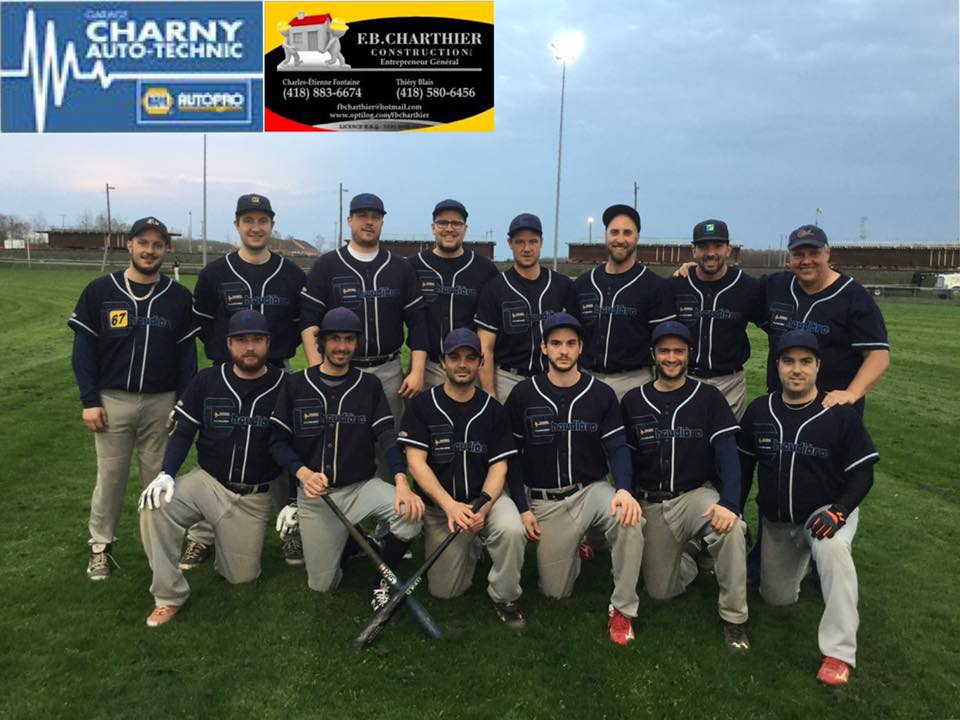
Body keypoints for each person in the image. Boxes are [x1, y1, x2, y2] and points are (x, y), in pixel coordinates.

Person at [738, 330, 879, 685]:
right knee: (776, 599)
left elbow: (863, 473)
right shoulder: (760, 411)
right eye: (788, 361)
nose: (796, 369)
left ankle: (839, 653)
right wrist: (734, 510)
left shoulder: (839, 414)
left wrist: (840, 511)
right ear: (777, 365)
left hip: (826, 513)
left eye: (805, 361)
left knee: (832, 548)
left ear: (818, 366)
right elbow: (743, 469)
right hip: (778, 523)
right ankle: (802, 563)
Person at [68, 216, 199, 581]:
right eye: (143, 243)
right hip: (113, 400)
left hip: (162, 402)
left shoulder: (177, 297)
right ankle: (100, 546)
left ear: (166, 249)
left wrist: (183, 404)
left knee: (158, 479)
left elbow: (187, 358)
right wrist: (89, 400)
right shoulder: (101, 290)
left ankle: (160, 549)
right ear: (129, 245)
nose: (149, 250)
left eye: (157, 244)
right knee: (110, 478)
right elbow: (83, 352)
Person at [137, 310, 286, 627]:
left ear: (268, 343)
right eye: (241, 340)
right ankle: (168, 595)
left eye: (257, 340)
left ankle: (219, 541)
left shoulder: (286, 385)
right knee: (155, 505)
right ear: (229, 344)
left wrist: (293, 500)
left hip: (253, 496)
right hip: (207, 483)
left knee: (242, 578)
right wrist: (166, 473)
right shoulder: (207, 380)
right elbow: (184, 432)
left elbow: (298, 445)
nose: (249, 347)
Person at [504, 313, 644, 645]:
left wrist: (624, 489)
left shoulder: (601, 393)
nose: (563, 351)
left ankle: (622, 608)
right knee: (555, 593)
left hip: (591, 490)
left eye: (570, 343)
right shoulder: (524, 393)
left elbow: (617, 447)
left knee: (629, 518)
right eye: (556, 344)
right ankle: (577, 544)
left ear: (581, 347)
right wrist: (522, 507)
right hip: (546, 500)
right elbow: (511, 457)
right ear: (544, 348)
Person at [269, 307, 424, 607]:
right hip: (316, 498)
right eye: (335, 338)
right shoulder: (296, 384)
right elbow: (277, 442)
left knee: (410, 514)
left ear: (357, 343)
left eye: (349, 339)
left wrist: (401, 481)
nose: (342, 346)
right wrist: (303, 473)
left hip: (360, 488)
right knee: (322, 586)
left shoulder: (369, 385)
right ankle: (352, 542)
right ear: (322, 342)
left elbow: (387, 436)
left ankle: (381, 581)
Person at [186, 193, 307, 568]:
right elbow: (204, 324)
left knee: (284, 446)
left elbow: (302, 325)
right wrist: (223, 362)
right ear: (237, 225)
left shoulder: (291, 274)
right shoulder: (214, 274)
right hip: (226, 375)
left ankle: (292, 530)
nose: (256, 227)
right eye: (248, 220)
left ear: (272, 225)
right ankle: (202, 535)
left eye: (262, 220)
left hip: (278, 373)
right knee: (218, 449)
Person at [621, 321, 750, 652]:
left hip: (695, 497)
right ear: (653, 354)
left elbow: (728, 454)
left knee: (731, 529)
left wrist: (731, 503)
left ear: (689, 354)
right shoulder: (634, 400)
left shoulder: (708, 397)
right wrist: (627, 494)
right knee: (661, 592)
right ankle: (691, 552)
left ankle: (734, 618)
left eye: (678, 351)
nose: (671, 357)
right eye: (664, 350)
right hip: (652, 502)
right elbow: (625, 459)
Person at [399, 329, 526, 629]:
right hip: (441, 509)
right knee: (445, 592)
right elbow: (415, 463)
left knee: (511, 528)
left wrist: (482, 508)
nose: (462, 364)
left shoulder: (493, 409)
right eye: (454, 357)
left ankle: (505, 595)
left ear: (481, 362)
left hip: (485, 501)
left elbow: (499, 468)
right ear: (443, 361)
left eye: (470, 358)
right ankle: (472, 547)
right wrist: (450, 507)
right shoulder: (422, 406)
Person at [299, 192, 429, 477]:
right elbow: (309, 321)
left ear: (382, 222)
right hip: (340, 369)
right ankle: (340, 500)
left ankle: (391, 500)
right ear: (350, 220)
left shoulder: (400, 267)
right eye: (362, 216)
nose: (369, 222)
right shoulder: (327, 265)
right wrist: (315, 370)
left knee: (389, 444)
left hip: (388, 370)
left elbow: (418, 322)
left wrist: (417, 371)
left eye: (375, 217)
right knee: (340, 441)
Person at [763, 225, 890, 415]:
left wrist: (852, 393)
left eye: (814, 253)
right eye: (798, 254)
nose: (806, 261)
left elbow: (878, 354)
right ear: (790, 257)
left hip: (830, 409)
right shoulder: (776, 286)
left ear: (827, 253)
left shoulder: (854, 296)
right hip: (781, 407)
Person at [572, 204, 675, 401]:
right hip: (587, 378)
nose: (620, 239)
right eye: (614, 232)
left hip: (634, 380)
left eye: (627, 233)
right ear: (606, 235)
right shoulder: (583, 284)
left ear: (637, 237)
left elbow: (665, 342)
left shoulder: (654, 286)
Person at [668, 219, 766, 418]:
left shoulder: (747, 287)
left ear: (728, 249)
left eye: (718, 246)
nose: (711, 253)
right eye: (703, 247)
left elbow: (775, 328)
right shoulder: (678, 284)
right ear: (693, 251)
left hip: (730, 383)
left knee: (728, 437)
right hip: (685, 378)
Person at [475, 213, 577, 401]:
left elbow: (574, 341)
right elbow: (485, 347)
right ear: (510, 243)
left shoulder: (562, 285)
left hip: (552, 377)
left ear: (541, 242)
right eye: (520, 242)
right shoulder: (495, 288)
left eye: (533, 241)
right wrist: (489, 392)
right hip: (507, 378)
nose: (527, 248)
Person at [407, 199, 499, 388]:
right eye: (443, 222)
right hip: (427, 367)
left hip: (470, 368)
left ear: (465, 228)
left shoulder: (484, 268)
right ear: (433, 227)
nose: (449, 229)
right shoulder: (413, 266)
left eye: (456, 223)